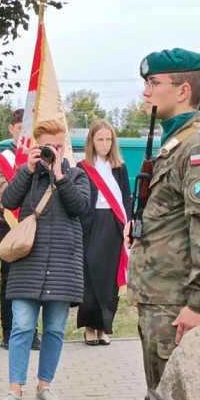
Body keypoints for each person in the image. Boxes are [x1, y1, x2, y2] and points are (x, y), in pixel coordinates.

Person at [125, 48, 200, 390]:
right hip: (164, 299)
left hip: (181, 305)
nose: (145, 91)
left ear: (182, 91)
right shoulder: (175, 142)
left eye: (153, 82)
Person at [0, 119, 90, 400]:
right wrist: (28, 169)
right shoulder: (28, 175)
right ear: (36, 147)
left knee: (55, 329)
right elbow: (7, 202)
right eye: (48, 147)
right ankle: (14, 391)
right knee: (21, 326)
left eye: (58, 146)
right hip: (28, 264)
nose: (53, 152)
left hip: (63, 264)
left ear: (66, 146)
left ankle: (44, 387)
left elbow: (81, 209)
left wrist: (60, 176)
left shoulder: (77, 175)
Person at [77, 120, 131, 345]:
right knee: (91, 277)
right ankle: (89, 327)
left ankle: (104, 327)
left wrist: (128, 225)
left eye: (108, 139)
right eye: (100, 139)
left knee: (110, 279)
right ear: (92, 141)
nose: (104, 143)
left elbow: (127, 198)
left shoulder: (119, 167)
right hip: (92, 225)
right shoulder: (82, 167)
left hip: (114, 225)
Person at [0, 108, 40, 351]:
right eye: (20, 127)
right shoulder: (2, 159)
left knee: (34, 279)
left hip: (34, 223)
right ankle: (8, 331)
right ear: (12, 129)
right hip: (10, 224)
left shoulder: (38, 155)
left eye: (28, 129)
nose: (24, 133)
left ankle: (32, 332)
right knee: (9, 279)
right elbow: (3, 195)